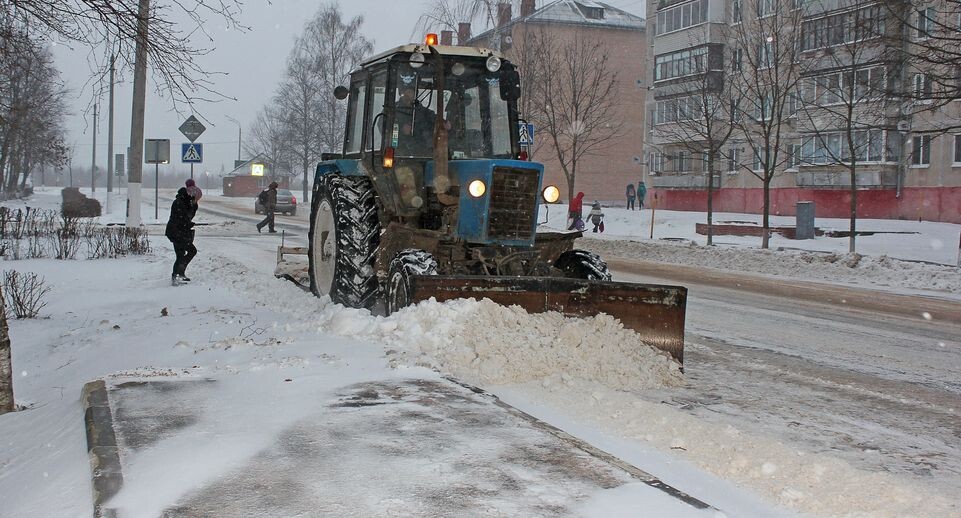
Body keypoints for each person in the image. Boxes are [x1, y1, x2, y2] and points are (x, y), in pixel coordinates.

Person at [165, 187, 197, 285]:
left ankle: (180, 273)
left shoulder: (184, 202)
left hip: (180, 233)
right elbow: (183, 218)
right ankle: (176, 276)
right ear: (184, 194)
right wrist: (188, 223)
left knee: (183, 254)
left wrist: (194, 205)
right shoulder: (178, 203)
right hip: (176, 233)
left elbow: (190, 214)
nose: (190, 195)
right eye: (189, 194)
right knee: (185, 253)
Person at [395, 84, 436, 156]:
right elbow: (383, 125)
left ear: (415, 95)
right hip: (399, 151)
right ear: (402, 94)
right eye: (406, 93)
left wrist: (443, 122)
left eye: (411, 93)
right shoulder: (393, 110)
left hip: (422, 151)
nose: (408, 95)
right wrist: (400, 130)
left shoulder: (423, 111)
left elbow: (434, 119)